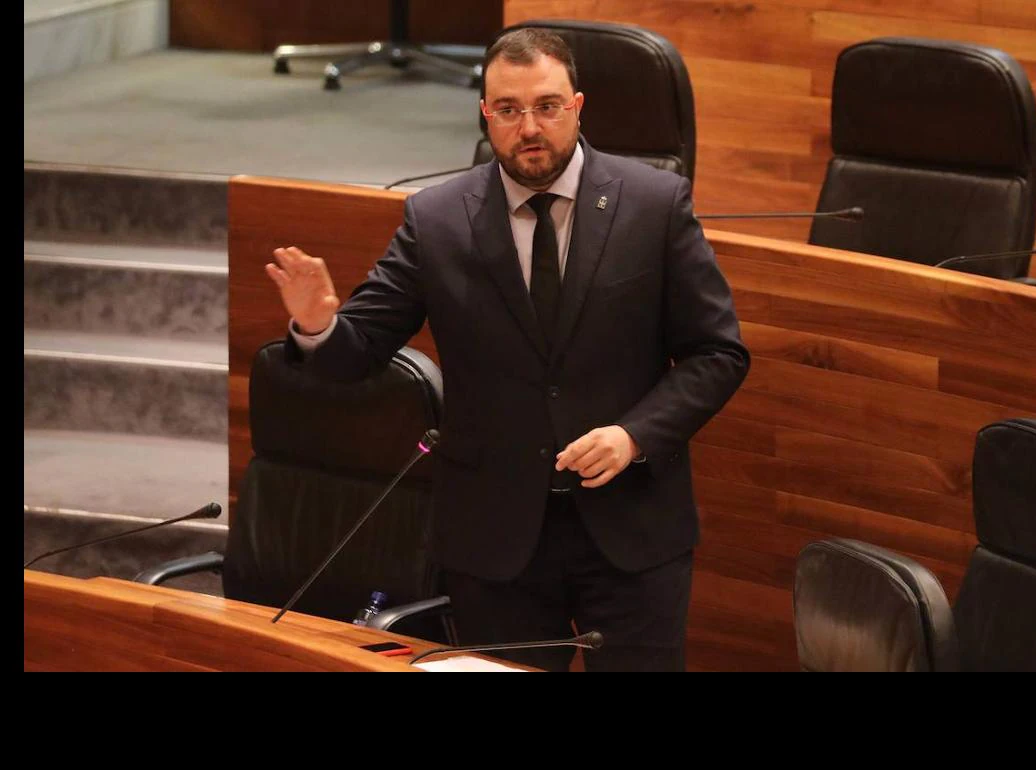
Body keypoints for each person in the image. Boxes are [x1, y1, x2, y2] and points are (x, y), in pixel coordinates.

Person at [264, 28, 748, 671]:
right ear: (485, 114)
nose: (530, 127)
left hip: (633, 532)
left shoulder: (654, 205)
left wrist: (634, 435)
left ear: (577, 106)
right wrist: (318, 324)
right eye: (510, 109)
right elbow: (356, 355)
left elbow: (718, 352)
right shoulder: (436, 219)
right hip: (495, 542)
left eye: (547, 107)